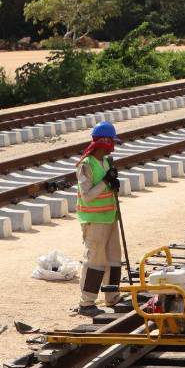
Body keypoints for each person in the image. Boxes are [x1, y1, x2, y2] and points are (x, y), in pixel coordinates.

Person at [76, 121, 123, 316]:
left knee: (114, 258)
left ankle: (112, 296)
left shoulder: (106, 161)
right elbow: (87, 195)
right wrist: (106, 181)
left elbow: (106, 188)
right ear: (104, 142)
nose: (114, 147)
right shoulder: (85, 165)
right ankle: (86, 302)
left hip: (110, 217)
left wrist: (113, 184)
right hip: (94, 220)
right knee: (95, 260)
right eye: (112, 142)